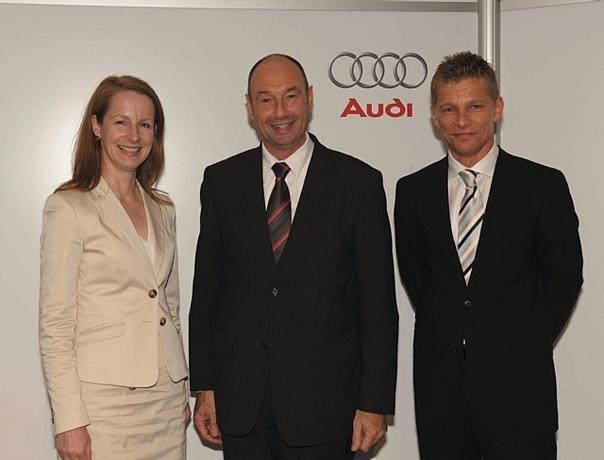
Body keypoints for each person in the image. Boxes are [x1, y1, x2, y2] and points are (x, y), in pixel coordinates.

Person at [188, 54, 399, 459]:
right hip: (241, 401)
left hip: (326, 406)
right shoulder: (221, 181)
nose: (280, 111)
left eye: (291, 96)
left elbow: (378, 306)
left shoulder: (359, 183)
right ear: (249, 107)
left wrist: (373, 404)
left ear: (310, 98)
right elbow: (207, 293)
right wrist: (206, 387)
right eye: (265, 100)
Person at [394, 51, 583, 459]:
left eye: (475, 106)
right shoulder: (411, 193)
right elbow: (420, 284)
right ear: (434, 115)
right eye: (449, 108)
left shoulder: (542, 186)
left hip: (520, 397)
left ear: (496, 109)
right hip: (440, 400)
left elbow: (564, 279)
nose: (462, 121)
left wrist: (517, 340)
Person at [39, 75, 189, 460]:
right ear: (96, 126)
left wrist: (181, 385)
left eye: (145, 124)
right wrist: (69, 419)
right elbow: (56, 324)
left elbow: (168, 308)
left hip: (166, 403)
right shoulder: (69, 207)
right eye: (121, 121)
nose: (133, 135)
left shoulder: (163, 209)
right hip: (103, 407)